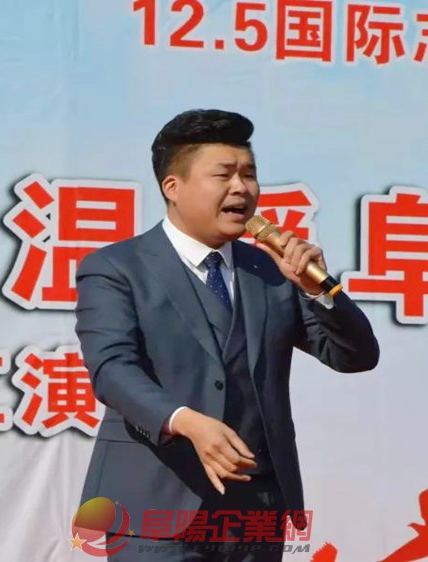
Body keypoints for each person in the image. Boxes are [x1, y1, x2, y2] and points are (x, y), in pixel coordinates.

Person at [73, 109, 380, 561]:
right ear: (172, 187)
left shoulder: (271, 271)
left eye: (249, 175)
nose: (241, 188)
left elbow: (355, 356)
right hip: (154, 506)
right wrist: (185, 421)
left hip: (255, 511)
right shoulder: (116, 268)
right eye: (223, 175)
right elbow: (112, 369)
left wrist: (317, 289)